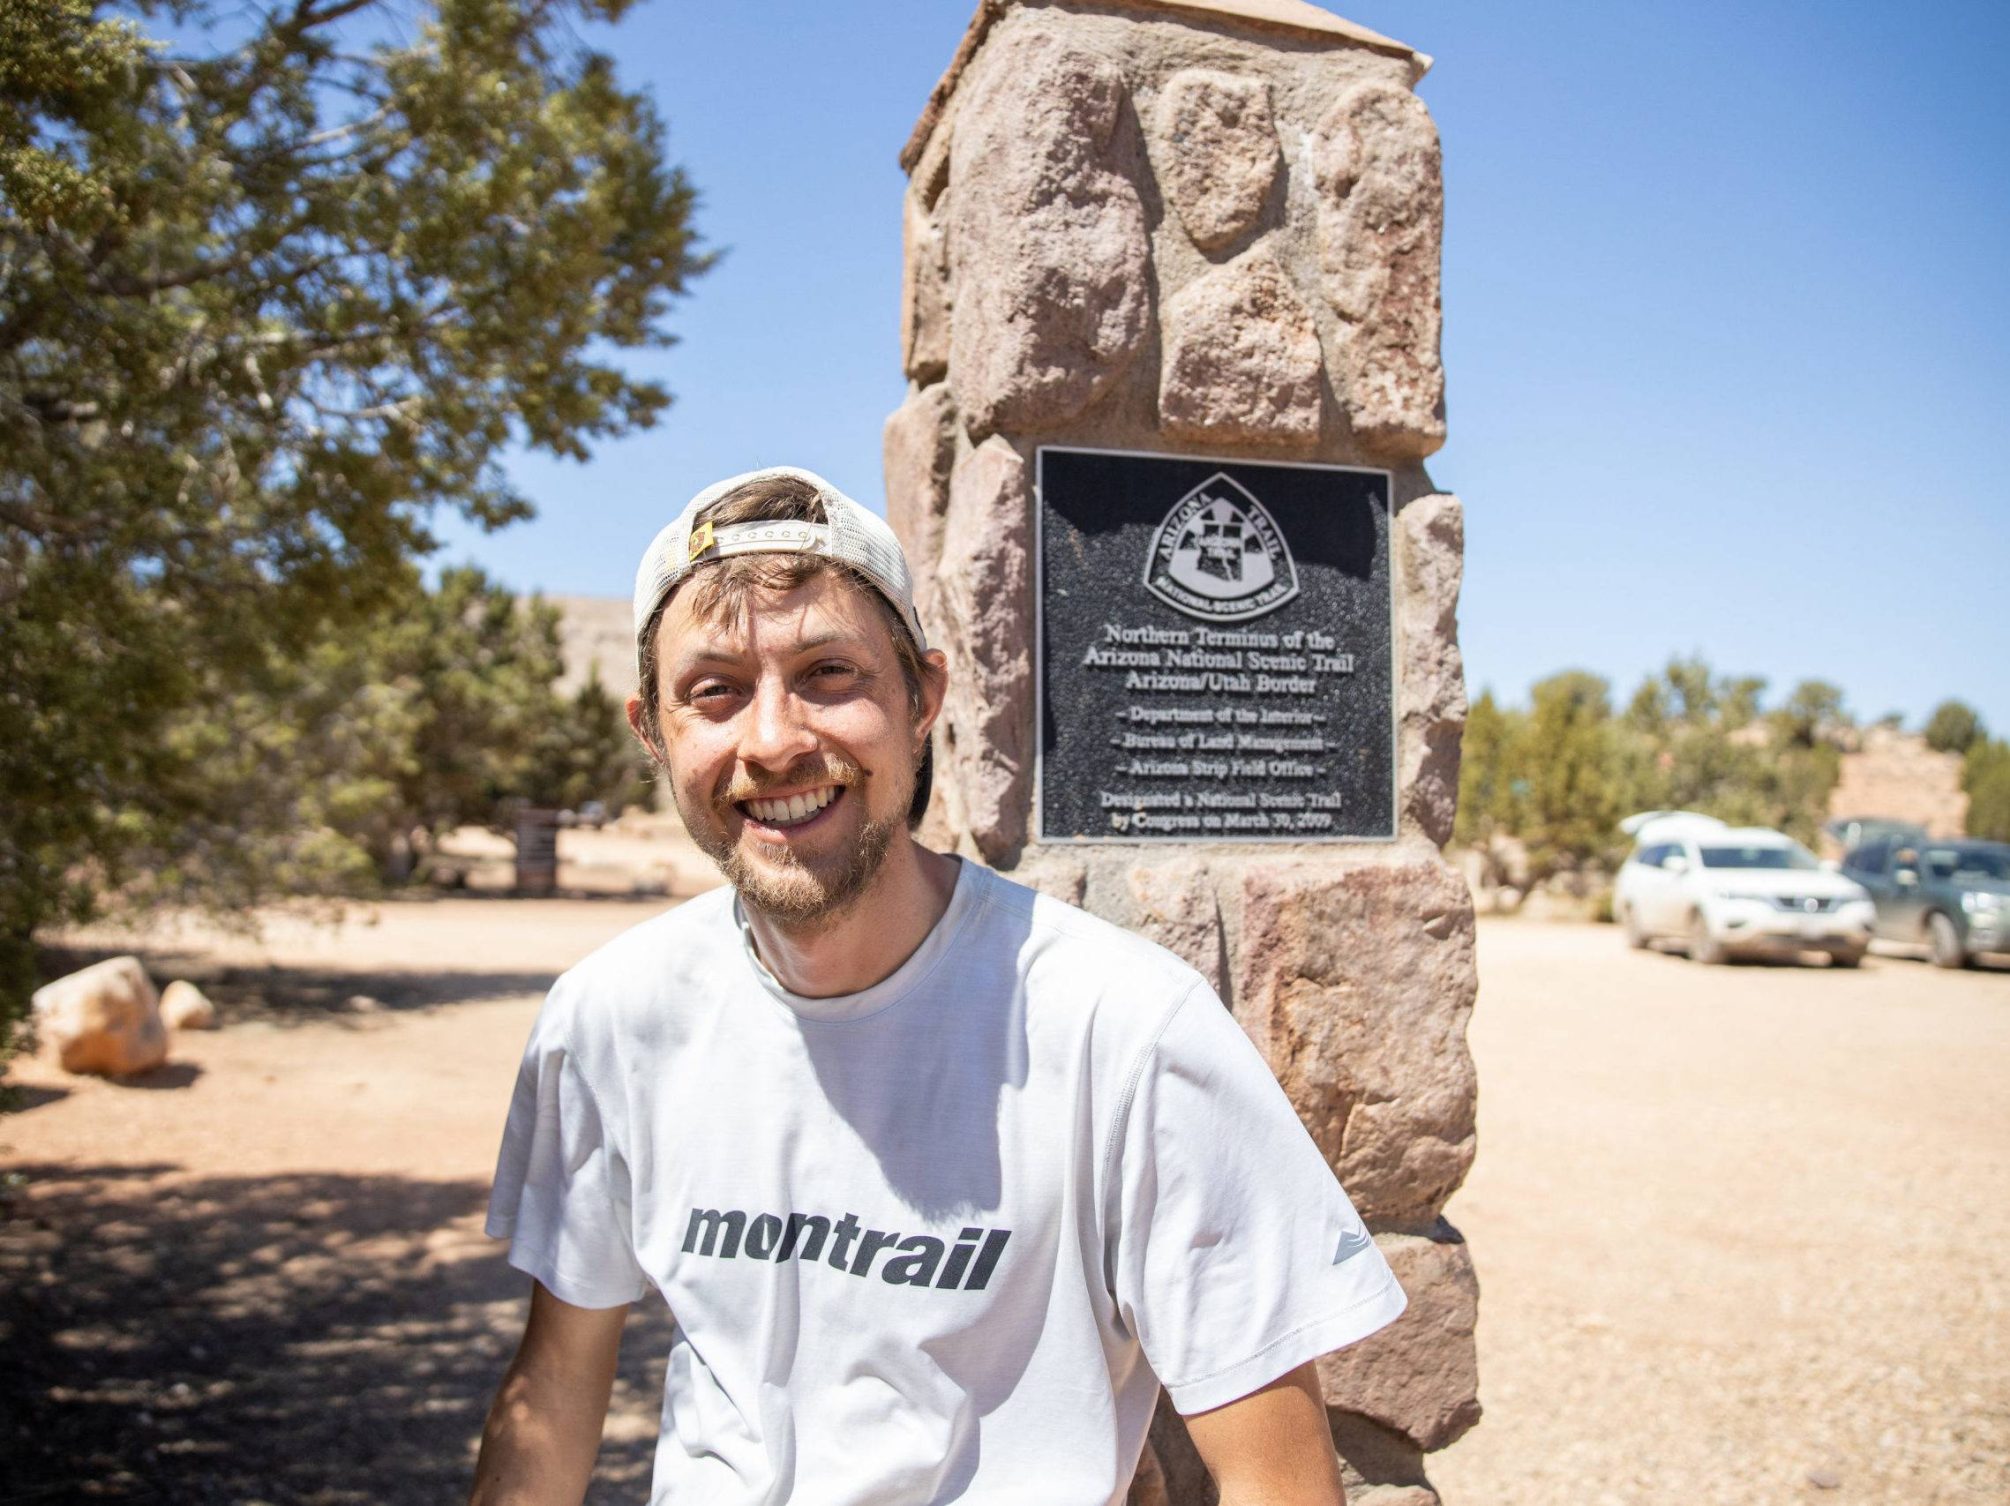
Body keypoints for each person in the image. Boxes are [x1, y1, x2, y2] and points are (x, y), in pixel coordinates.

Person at [470, 467, 1406, 1506]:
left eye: (828, 673)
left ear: (923, 699)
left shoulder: (1128, 1033)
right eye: (716, 691)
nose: (774, 741)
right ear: (654, 733)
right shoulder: (610, 1020)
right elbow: (554, 1391)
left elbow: (1277, 1481)